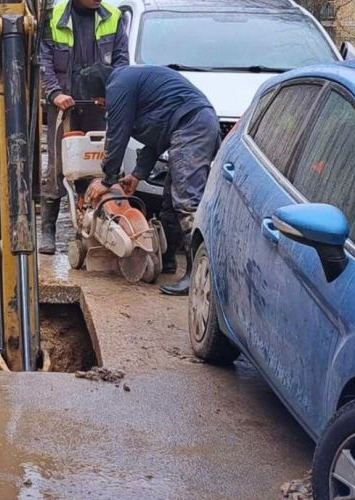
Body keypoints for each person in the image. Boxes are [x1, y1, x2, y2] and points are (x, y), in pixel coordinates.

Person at [90, 65, 221, 296]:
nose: (102, 106)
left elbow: (117, 134)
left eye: (100, 102)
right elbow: (154, 136)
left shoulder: (118, 86)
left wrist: (108, 179)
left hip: (192, 125)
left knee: (187, 203)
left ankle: (198, 276)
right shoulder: (133, 85)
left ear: (102, 92)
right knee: (170, 201)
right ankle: (168, 260)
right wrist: (138, 174)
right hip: (191, 123)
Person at [38, 0, 129, 254]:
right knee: (58, 167)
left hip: (97, 105)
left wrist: (112, 93)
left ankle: (93, 230)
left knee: (95, 167)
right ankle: (47, 230)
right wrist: (55, 93)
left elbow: (121, 61)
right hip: (63, 105)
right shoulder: (53, 18)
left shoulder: (112, 16)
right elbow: (43, 60)